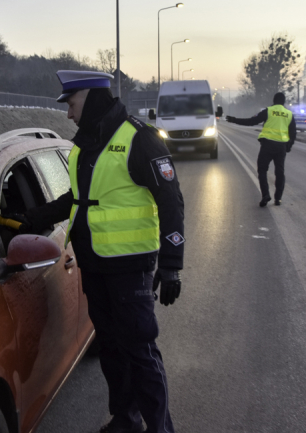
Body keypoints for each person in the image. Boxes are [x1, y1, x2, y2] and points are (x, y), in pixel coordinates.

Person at [23, 70, 185, 433]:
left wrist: (172, 265)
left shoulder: (140, 139)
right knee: (111, 350)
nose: (68, 113)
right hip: (94, 266)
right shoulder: (84, 144)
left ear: (93, 98)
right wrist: (32, 218)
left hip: (130, 268)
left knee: (139, 351)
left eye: (72, 104)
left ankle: (161, 428)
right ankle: (126, 419)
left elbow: (172, 201)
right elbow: (78, 198)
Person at [225, 92, 296, 207]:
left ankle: (265, 195)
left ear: (274, 101)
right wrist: (289, 146)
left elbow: (251, 121)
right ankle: (278, 199)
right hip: (281, 147)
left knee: (262, 170)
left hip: (267, 145)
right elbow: (293, 133)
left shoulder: (268, 111)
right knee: (280, 172)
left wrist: (234, 120)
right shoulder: (289, 114)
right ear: (284, 102)